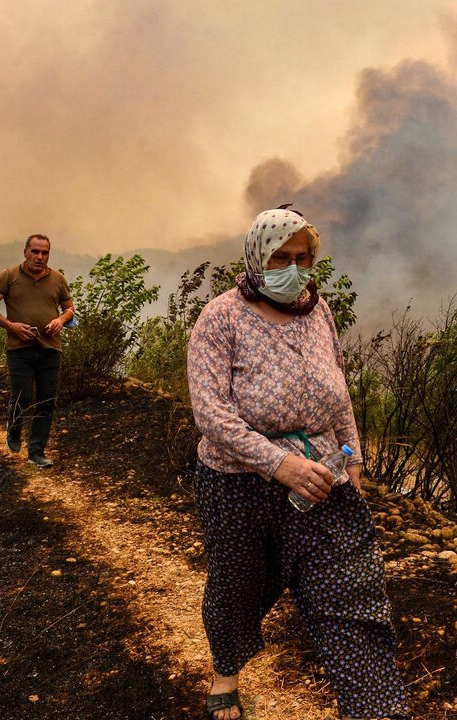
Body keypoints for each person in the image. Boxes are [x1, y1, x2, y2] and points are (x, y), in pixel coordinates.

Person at [187, 208, 408, 719]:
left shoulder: (319, 312)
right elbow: (211, 413)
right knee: (238, 585)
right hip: (237, 484)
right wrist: (278, 463)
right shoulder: (220, 318)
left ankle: (376, 708)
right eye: (279, 258)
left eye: (302, 258)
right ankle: (226, 673)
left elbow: (339, 388)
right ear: (256, 257)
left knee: (350, 589)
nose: (292, 267)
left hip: (324, 479)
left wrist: (353, 456)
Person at [0, 233, 74, 468]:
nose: (40, 257)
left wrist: (61, 320)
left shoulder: (58, 279)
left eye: (44, 253)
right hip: (19, 348)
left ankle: (36, 452)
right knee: (23, 397)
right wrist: (11, 326)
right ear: (25, 252)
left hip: (50, 349)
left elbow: (70, 309)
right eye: (35, 251)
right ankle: (13, 431)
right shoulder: (9, 276)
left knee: (47, 400)